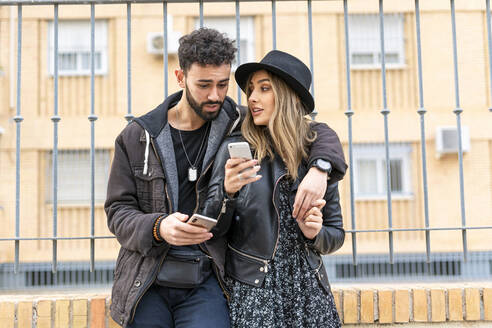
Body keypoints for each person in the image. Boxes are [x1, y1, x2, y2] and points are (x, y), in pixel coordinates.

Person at [105, 27, 345, 327]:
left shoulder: (239, 124)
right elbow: (117, 212)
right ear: (181, 78)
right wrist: (158, 227)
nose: (215, 95)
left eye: (222, 84)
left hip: (208, 273)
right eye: (204, 85)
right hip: (148, 274)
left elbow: (309, 128)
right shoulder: (138, 136)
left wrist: (321, 169)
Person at [202, 50, 346, 328]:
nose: (252, 97)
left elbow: (336, 235)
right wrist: (227, 194)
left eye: (264, 88)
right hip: (255, 291)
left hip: (309, 292)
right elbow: (211, 230)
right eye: (251, 89)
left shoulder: (317, 159)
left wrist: (315, 233)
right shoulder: (235, 151)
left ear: (290, 96)